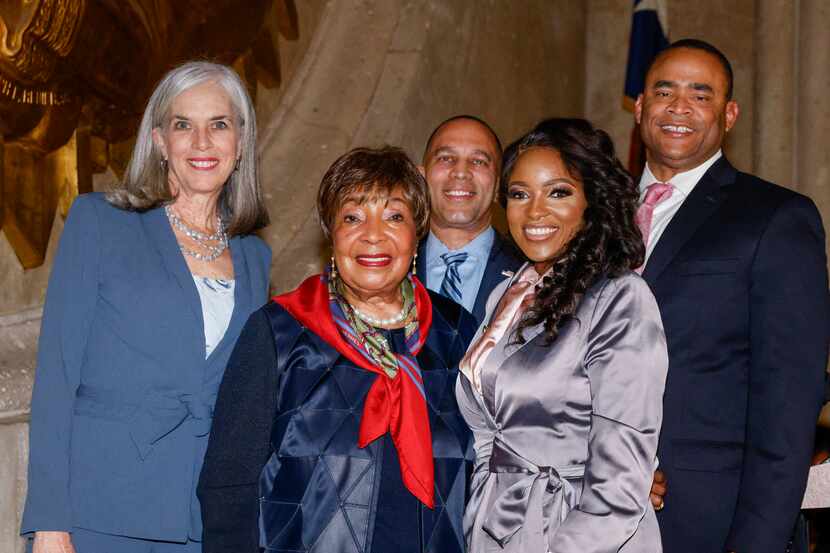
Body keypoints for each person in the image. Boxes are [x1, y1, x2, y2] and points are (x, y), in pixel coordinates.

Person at [20, 61, 272, 553]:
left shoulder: (255, 256)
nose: (202, 142)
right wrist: (50, 521)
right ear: (159, 140)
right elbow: (56, 375)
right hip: (99, 512)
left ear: (240, 144)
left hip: (205, 519)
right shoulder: (99, 222)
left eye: (218, 124)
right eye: (184, 125)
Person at [198, 146, 479, 553]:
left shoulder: (457, 334)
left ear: (416, 232)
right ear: (332, 233)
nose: (373, 234)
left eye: (394, 216)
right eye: (353, 217)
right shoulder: (280, 332)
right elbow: (229, 485)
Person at [634, 38, 830, 553]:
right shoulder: (588, 217)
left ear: (730, 114)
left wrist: (756, 543)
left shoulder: (774, 218)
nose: (679, 106)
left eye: (701, 94)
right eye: (664, 90)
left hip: (706, 522)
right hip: (580, 521)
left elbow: (788, 406)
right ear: (639, 106)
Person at [457, 118, 667, 553]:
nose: (535, 211)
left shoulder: (619, 297)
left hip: (580, 533)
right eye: (519, 194)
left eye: (558, 192)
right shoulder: (507, 291)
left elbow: (621, 479)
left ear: (593, 200)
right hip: (496, 526)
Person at [416, 115, 523, 323]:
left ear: (498, 188)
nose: (461, 172)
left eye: (478, 161)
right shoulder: (387, 265)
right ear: (421, 177)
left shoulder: (529, 272)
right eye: (446, 158)